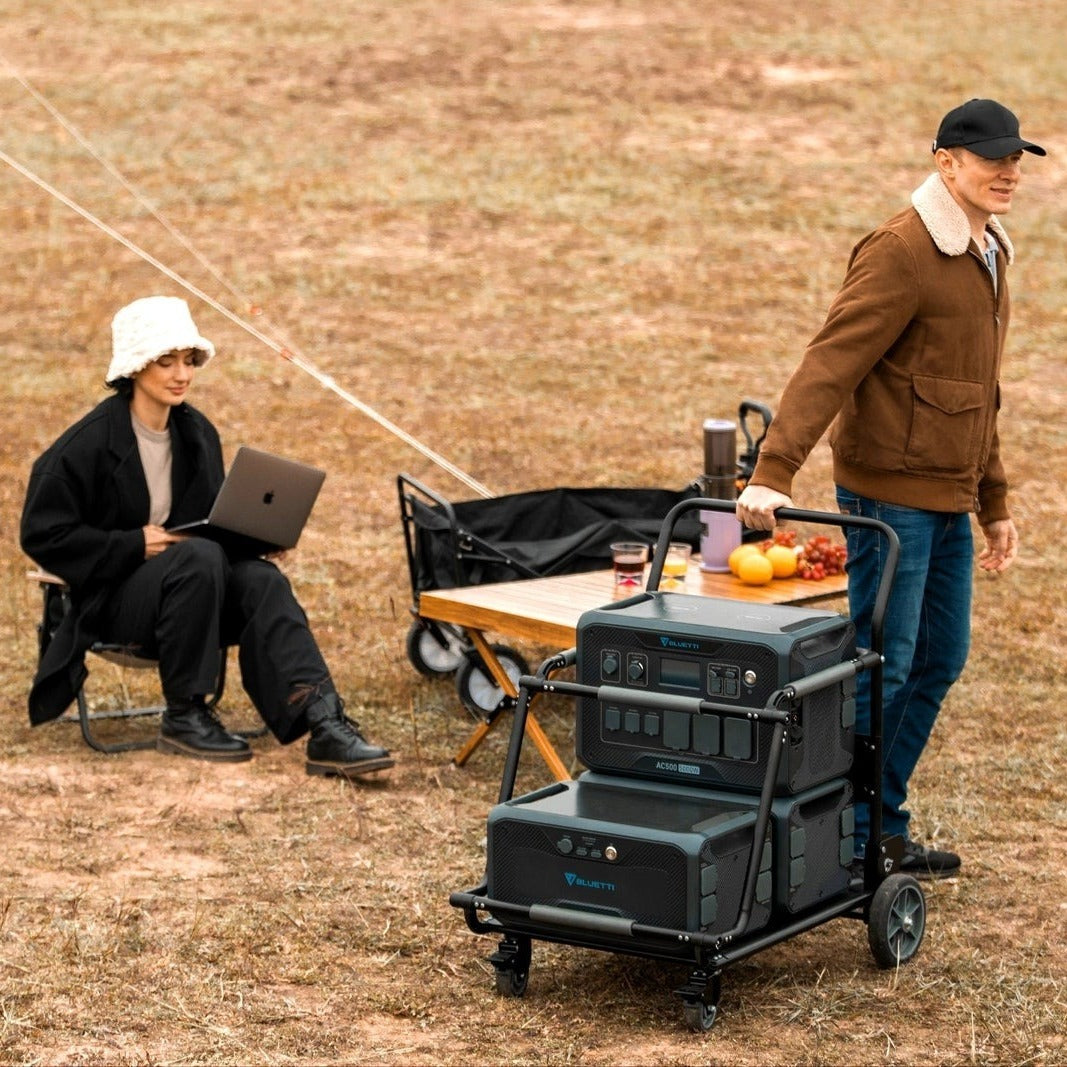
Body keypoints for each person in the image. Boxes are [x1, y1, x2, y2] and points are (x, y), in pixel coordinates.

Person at [735, 99, 1044, 879]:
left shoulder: (988, 250)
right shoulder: (902, 251)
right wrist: (772, 472)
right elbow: (829, 362)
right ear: (946, 163)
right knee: (887, 663)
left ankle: (873, 819)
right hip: (888, 497)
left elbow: (978, 390)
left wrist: (994, 500)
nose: (1008, 172)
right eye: (991, 159)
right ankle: (850, 830)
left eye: (1016, 159)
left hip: (947, 493)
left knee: (941, 657)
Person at [21, 294, 394, 779]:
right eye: (166, 361)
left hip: (193, 595)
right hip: (113, 602)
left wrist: (253, 540)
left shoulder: (197, 433)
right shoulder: (86, 445)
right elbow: (42, 533)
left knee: (261, 578)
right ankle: (184, 715)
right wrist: (133, 544)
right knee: (196, 558)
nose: (182, 374)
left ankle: (324, 723)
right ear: (135, 367)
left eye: (189, 361)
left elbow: (209, 528)